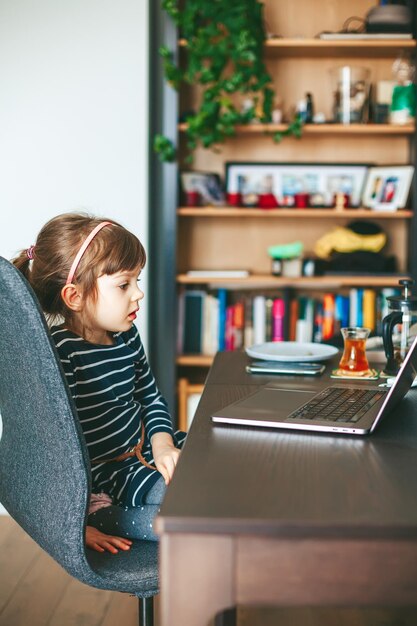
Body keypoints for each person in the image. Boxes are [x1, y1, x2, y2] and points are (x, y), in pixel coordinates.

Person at [13, 213, 186, 553]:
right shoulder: (63, 353)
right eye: (124, 285)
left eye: (137, 280)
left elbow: (150, 397)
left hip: (149, 447)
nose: (138, 294)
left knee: (215, 465)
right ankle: (99, 515)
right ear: (74, 296)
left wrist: (164, 444)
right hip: (112, 473)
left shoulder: (126, 335)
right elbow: (57, 447)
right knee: (184, 509)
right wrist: (72, 524)